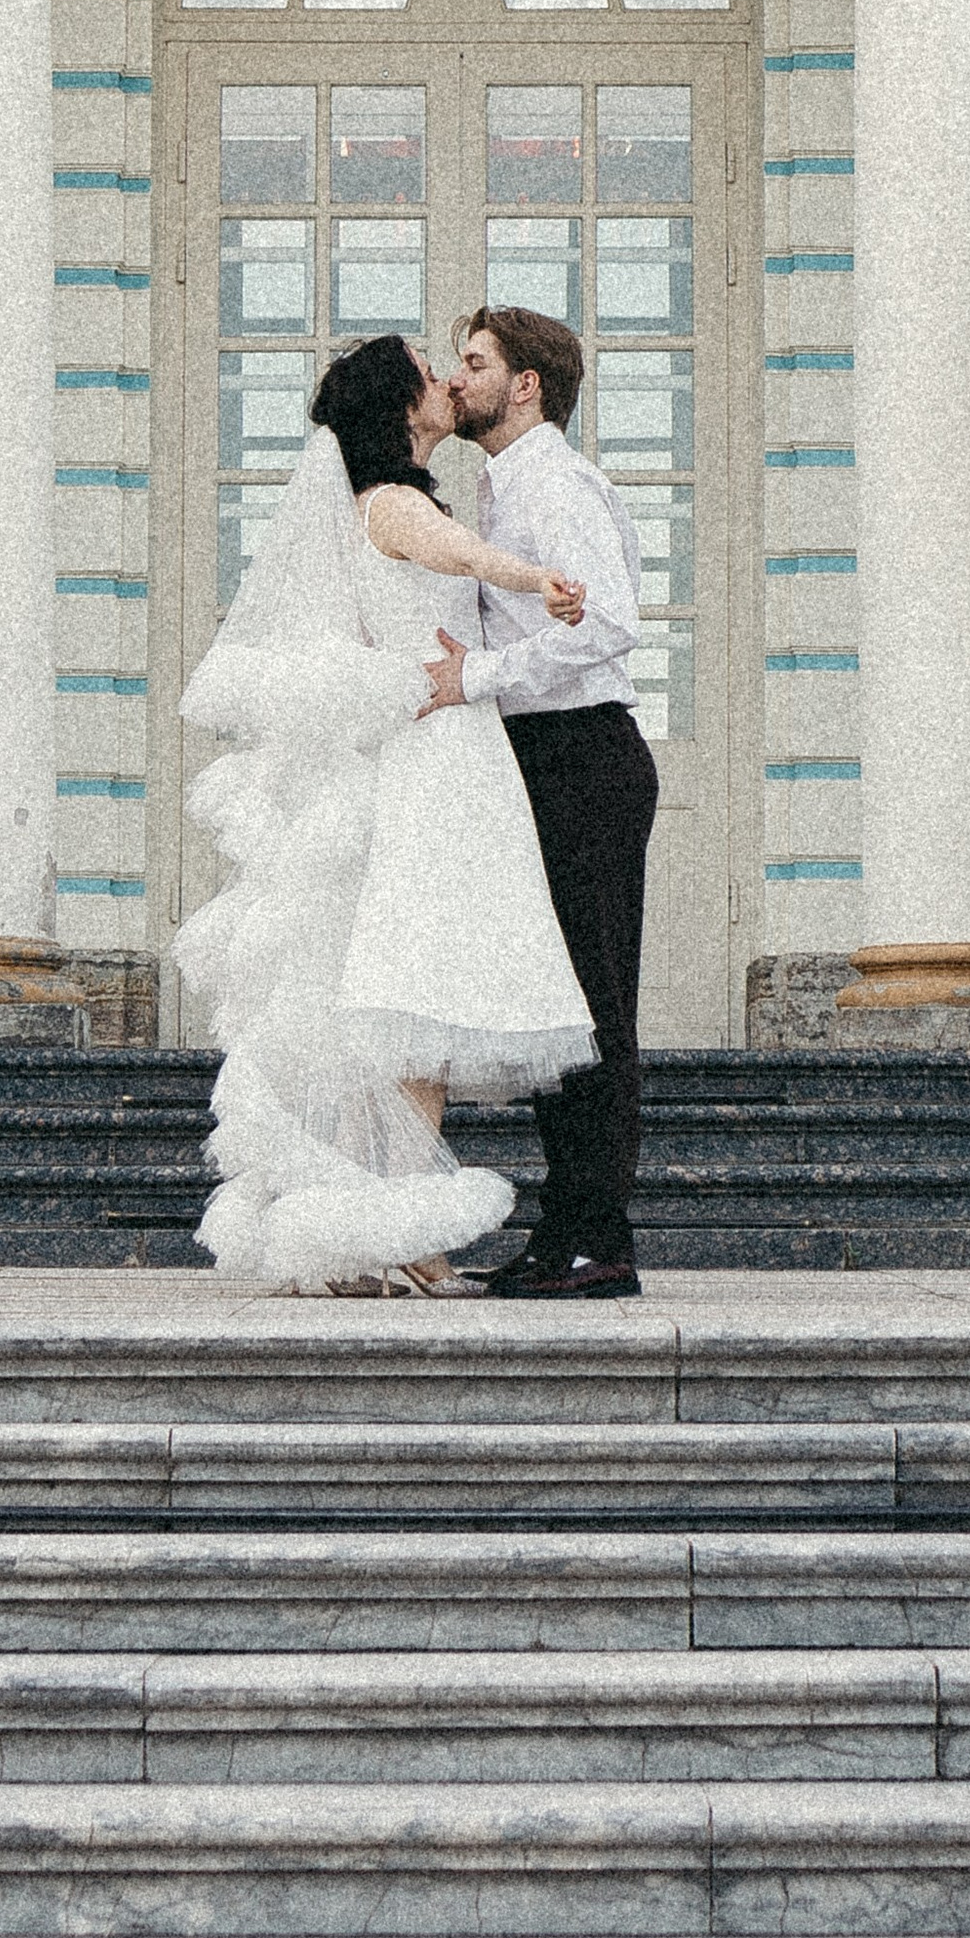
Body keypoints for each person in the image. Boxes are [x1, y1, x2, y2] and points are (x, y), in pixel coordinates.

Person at [175, 332, 596, 1291]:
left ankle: (397, 1233)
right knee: (418, 997)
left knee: (417, 1013)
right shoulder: (394, 503)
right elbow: (453, 553)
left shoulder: (384, 501)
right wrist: (537, 580)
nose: (448, 381)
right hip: (437, 755)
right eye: (429, 371)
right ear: (403, 409)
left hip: (440, 744)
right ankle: (407, 1237)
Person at [430, 305, 657, 1301]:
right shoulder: (502, 485)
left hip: (583, 758)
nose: (458, 379)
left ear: (526, 384)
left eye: (474, 364)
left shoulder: (554, 482)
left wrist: (477, 676)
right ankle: (560, 1230)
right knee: (556, 1012)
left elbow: (607, 622)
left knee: (593, 1011)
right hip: (544, 758)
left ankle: (598, 1243)